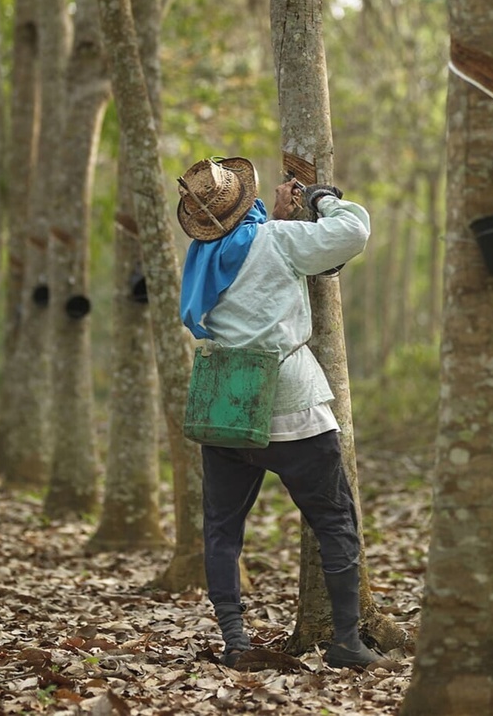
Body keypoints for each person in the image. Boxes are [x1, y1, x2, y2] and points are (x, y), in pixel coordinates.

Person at [176, 156, 381, 669]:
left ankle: (235, 641)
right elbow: (352, 232)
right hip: (292, 403)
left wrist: (279, 218)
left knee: (222, 529)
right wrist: (321, 199)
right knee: (335, 520)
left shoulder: (202, 255)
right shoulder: (274, 240)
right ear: (247, 202)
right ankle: (347, 642)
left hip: (225, 402)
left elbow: (248, 249)